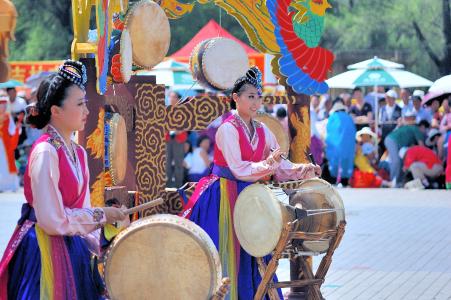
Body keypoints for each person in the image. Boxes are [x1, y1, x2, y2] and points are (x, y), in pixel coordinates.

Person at [180, 67, 321, 299]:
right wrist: (268, 163)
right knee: (224, 251)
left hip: (250, 197)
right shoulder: (227, 129)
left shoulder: (263, 129)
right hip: (224, 197)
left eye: (258, 96)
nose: (256, 103)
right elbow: (239, 169)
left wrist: (303, 169)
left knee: (253, 251)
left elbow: (280, 165)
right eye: (250, 96)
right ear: (236, 98)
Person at [0, 60, 127, 299]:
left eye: (85, 104)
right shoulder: (46, 152)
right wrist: (100, 215)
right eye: (80, 104)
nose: (87, 112)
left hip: (71, 246)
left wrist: (102, 226)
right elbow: (52, 220)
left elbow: (82, 208)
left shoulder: (77, 152)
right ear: (56, 111)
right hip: (42, 248)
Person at [384, 115, 429, 185]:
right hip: (392, 140)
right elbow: (422, 147)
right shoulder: (417, 129)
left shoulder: (411, 130)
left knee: (402, 162)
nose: (426, 132)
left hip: (391, 140)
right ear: (422, 127)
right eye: (426, 129)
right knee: (396, 161)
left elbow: (412, 148)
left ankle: (399, 182)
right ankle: (392, 182)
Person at [325, 101, 356, 186]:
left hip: (335, 144)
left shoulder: (332, 117)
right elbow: (353, 132)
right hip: (348, 145)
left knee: (335, 161)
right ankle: (345, 181)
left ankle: (336, 180)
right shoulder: (349, 118)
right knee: (346, 161)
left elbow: (329, 132)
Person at [165, 91, 188, 187]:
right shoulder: (166, 109)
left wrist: (180, 129)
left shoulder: (183, 110)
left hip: (179, 138)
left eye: (174, 97)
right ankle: (167, 185)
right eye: (170, 97)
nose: (171, 99)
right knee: (166, 163)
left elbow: (187, 123)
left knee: (179, 163)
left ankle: (179, 185)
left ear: (178, 99)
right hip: (167, 138)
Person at [0, 97, 21, 192]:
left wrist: (17, 129)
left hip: (5, 143)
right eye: (1, 105)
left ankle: (11, 184)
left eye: (4, 105)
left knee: (7, 163)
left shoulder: (8, 117)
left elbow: (12, 130)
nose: (3, 107)